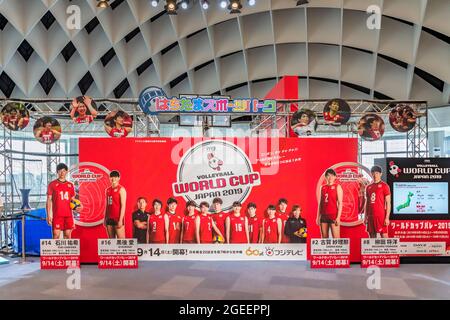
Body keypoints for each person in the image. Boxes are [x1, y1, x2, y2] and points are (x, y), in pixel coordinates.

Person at [46, 163, 82, 239]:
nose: (62, 173)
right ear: (57, 172)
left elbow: (72, 200)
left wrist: (78, 206)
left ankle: (66, 251)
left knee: (68, 236)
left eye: (64, 171)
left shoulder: (70, 185)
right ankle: (55, 251)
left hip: (68, 215)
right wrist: (48, 214)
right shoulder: (52, 184)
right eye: (60, 171)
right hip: (57, 214)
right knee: (56, 235)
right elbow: (49, 200)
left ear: (66, 172)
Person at [365, 166, 391, 238]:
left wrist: (387, 217)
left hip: (381, 216)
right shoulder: (368, 187)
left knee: (384, 236)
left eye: (377, 173)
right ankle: (373, 250)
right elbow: (367, 203)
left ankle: (387, 249)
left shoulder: (384, 186)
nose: (375, 175)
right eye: (373, 173)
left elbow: (388, 203)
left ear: (380, 174)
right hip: (370, 216)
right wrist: (365, 217)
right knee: (372, 237)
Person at [317, 168, 343, 238]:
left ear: (335, 177)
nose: (330, 177)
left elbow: (340, 203)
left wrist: (338, 217)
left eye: (332, 175)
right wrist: (318, 217)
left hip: (333, 215)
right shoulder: (322, 187)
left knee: (336, 239)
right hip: (323, 216)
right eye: (328, 175)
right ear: (325, 177)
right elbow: (320, 203)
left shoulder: (337, 187)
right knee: (324, 238)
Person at [104, 170, 127, 239]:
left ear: (119, 178)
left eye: (115, 177)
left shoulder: (121, 189)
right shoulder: (107, 190)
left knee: (121, 242)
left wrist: (120, 220)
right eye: (111, 177)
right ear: (109, 178)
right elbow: (107, 205)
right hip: (109, 218)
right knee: (111, 242)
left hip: (117, 218)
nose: (113, 179)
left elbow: (123, 206)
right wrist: (105, 218)